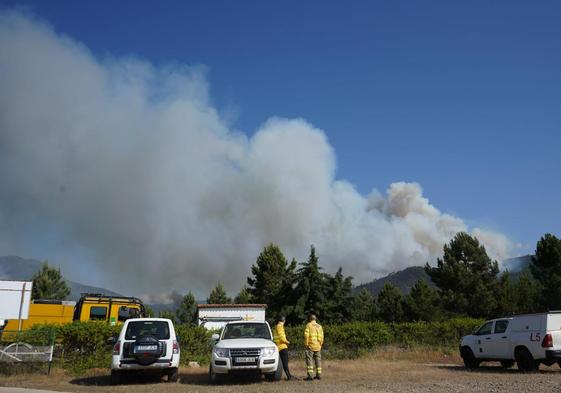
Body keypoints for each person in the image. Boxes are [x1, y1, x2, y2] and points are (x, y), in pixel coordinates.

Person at [304, 313, 323, 381]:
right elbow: (322, 336)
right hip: (318, 346)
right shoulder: (319, 326)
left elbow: (306, 335)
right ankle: (319, 375)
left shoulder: (308, 325)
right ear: (315, 319)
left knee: (309, 360)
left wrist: (306, 344)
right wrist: (320, 344)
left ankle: (310, 376)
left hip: (310, 345)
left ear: (310, 319)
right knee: (318, 360)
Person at [273, 315, 293, 380]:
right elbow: (282, 338)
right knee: (285, 363)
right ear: (284, 320)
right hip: (282, 347)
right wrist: (288, 342)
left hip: (278, 347)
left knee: (283, 363)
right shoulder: (280, 326)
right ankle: (289, 377)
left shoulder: (276, 326)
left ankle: (289, 375)